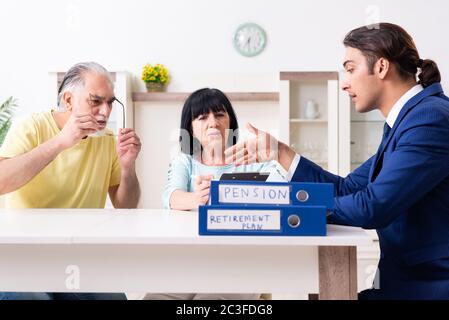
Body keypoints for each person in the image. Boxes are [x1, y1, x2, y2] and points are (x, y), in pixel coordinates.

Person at [225, 23, 449, 300]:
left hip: (427, 288)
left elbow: (372, 207)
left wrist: (291, 202)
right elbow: (348, 188)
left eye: (350, 68)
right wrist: (282, 154)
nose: (344, 82)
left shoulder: (430, 120)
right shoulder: (409, 120)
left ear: (381, 67)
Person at [0, 62, 142, 300]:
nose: (105, 112)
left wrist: (128, 168)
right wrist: (61, 142)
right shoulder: (31, 127)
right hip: (23, 257)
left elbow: (126, 206)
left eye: (109, 102)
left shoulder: (107, 141)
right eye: (96, 101)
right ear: (68, 100)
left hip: (78, 259)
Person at [144, 88, 285, 300]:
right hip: (190, 262)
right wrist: (196, 199)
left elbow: (283, 189)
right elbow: (171, 196)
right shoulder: (185, 162)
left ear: (230, 121)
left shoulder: (251, 160)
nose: (213, 123)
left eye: (219, 115)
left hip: (243, 262)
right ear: (190, 128)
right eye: (202, 117)